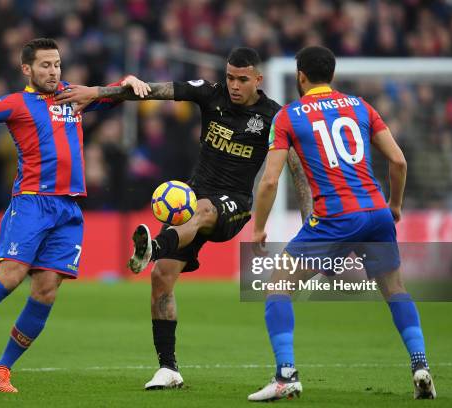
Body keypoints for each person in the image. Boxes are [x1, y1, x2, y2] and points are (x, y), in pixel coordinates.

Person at [56, 47, 313, 390]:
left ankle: (154, 247)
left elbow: (298, 172)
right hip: (191, 201)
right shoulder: (210, 94)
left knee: (203, 211)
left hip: (233, 206)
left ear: (258, 79)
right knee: (162, 276)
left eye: (242, 79)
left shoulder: (273, 117)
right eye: (230, 77)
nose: (234, 85)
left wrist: (311, 219)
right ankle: (168, 368)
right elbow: (151, 90)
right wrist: (97, 92)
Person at [0, 38, 148, 393]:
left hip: (68, 208)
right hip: (32, 203)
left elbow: (111, 95)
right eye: (45, 66)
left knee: (47, 289)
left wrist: (129, 81)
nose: (53, 72)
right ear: (27, 69)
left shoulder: (73, 95)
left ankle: (2, 370)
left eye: (57, 65)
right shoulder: (17, 103)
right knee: (11, 275)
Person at [248, 45, 436, 401]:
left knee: (278, 286)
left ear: (300, 76)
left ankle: (286, 375)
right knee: (395, 290)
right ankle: (420, 365)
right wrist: (394, 206)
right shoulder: (360, 106)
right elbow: (398, 162)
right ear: (331, 75)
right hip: (376, 212)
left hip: (335, 216)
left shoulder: (288, 116)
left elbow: (270, 181)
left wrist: (258, 227)